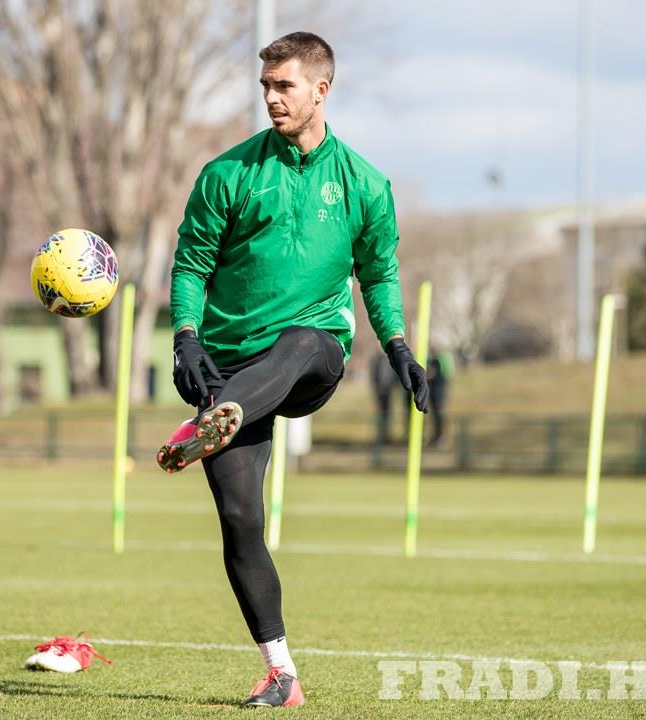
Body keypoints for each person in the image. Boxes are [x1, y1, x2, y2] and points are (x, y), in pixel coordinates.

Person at [156, 31, 428, 708]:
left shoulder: (365, 183)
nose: (272, 98)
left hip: (314, 356)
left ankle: (216, 422)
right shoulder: (227, 174)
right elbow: (191, 264)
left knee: (303, 340)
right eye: (266, 87)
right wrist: (186, 339)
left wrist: (398, 346)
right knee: (240, 519)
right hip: (229, 363)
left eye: (285, 86)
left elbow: (379, 274)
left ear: (321, 90)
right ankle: (282, 674)